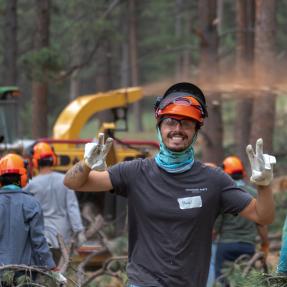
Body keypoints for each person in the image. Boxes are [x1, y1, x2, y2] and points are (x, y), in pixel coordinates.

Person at [63, 82, 276, 287]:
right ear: (159, 127)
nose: (177, 129)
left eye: (186, 123)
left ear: (195, 131)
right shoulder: (135, 172)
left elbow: (263, 216)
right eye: (170, 122)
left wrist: (264, 185)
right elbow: (73, 183)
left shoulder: (213, 180)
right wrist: (87, 163)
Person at [0, 153, 66, 285]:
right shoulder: (32, 204)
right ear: (23, 178)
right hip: (26, 272)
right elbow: (38, 241)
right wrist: (51, 266)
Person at [24, 142, 86, 263]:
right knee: (61, 271)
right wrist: (79, 231)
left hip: (41, 236)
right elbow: (72, 207)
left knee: (43, 272)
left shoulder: (31, 185)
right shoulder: (65, 180)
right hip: (63, 236)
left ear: (35, 162)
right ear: (53, 159)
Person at [215, 156, 269, 281]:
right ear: (243, 174)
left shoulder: (223, 194)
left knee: (222, 281)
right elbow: (261, 224)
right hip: (247, 245)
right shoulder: (254, 194)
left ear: (225, 173)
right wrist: (265, 243)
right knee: (246, 281)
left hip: (226, 245)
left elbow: (216, 226)